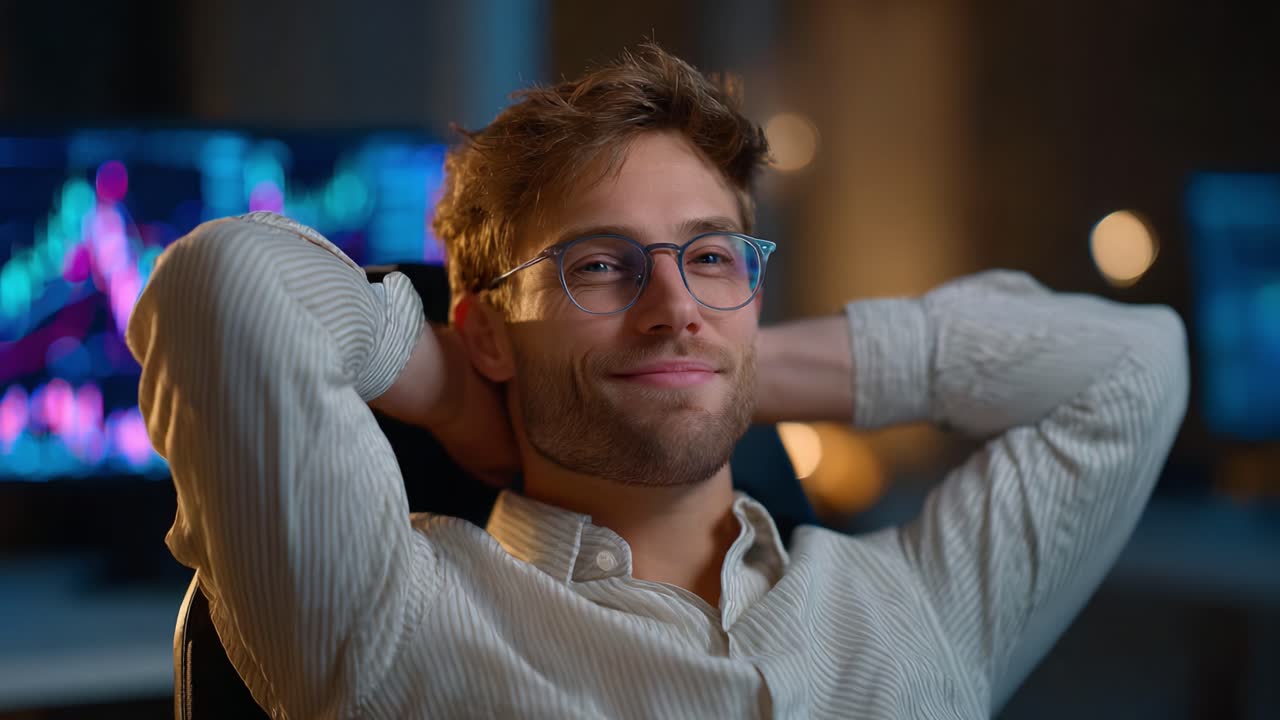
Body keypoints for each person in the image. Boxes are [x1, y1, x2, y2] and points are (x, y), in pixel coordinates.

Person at [128, 45, 1188, 719]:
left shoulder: (920, 606)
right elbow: (228, 288)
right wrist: (454, 392)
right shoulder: (387, 616)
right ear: (486, 335)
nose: (672, 301)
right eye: (599, 264)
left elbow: (1133, 366)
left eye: (711, 257)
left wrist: (716, 364)